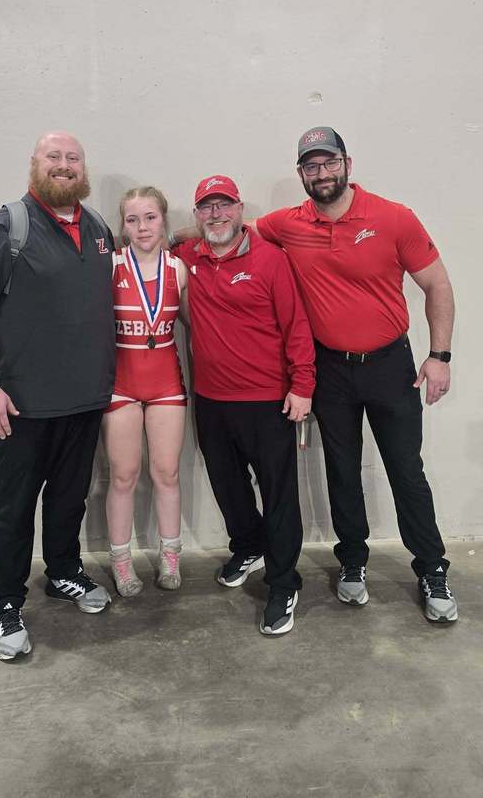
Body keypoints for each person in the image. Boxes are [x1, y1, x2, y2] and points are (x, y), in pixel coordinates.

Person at [247, 127, 458, 625]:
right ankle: (353, 561)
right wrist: (172, 236)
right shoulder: (289, 223)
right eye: (311, 166)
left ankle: (432, 569)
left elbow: (437, 284)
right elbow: (232, 227)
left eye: (329, 163)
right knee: (342, 471)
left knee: (405, 471)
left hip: (390, 367)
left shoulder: (393, 217)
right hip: (330, 370)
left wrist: (440, 356)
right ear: (301, 173)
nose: (321, 173)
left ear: (347, 164)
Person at [0, 132, 116, 661]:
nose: (64, 166)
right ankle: (5, 601)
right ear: (34, 165)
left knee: (69, 499)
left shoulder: (98, 230)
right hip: (19, 407)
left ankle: (64, 571)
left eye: (73, 158)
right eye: (54, 157)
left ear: (83, 169)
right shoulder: (3, 229)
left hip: (85, 402)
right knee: (14, 509)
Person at [173, 176, 315, 636]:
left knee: (278, 495)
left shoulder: (271, 259)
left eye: (224, 205)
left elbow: (296, 326)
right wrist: (175, 235)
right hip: (212, 400)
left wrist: (303, 386)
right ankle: (249, 546)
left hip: (267, 400)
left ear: (239, 210)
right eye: (207, 207)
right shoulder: (189, 258)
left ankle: (284, 583)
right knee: (227, 484)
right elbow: (153, 246)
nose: (216, 214)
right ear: (197, 215)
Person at [103, 188, 188, 597]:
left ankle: (170, 554)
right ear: (123, 225)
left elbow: (198, 327)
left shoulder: (178, 269)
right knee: (123, 476)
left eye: (150, 217)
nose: (142, 227)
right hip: (120, 384)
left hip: (166, 383)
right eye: (132, 219)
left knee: (166, 473)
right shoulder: (111, 266)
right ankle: (121, 560)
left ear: (163, 220)